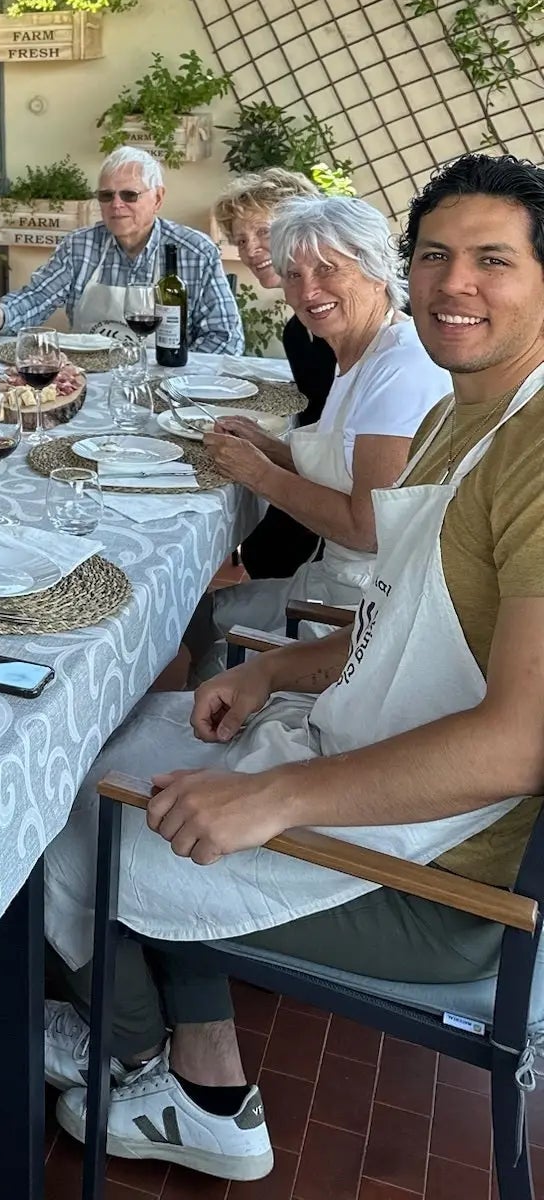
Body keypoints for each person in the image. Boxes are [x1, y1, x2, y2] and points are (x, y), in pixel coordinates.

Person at [38, 152, 544, 1184]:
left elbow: (517, 741)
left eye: (494, 258)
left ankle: (143, 1067)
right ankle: (206, 1075)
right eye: (436, 255)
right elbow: (410, 617)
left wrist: (269, 795)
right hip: (361, 749)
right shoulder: (464, 409)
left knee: (61, 824)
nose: (456, 283)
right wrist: (278, 674)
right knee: (108, 757)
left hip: (435, 873)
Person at [204, 193, 450, 629]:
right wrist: (268, 447)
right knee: (190, 614)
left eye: (326, 269)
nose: (307, 291)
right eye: (294, 274)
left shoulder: (401, 367)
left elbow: (368, 529)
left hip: (363, 612)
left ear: (376, 271)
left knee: (192, 618)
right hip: (328, 579)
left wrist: (257, 473)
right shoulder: (358, 350)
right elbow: (348, 465)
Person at [0, 148, 243, 354]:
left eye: (129, 195)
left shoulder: (196, 252)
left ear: (158, 198)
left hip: (168, 383)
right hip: (90, 379)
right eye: (106, 195)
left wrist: (180, 378)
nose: (116, 205)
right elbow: (37, 298)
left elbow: (225, 338)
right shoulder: (79, 246)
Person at [213, 169, 336, 581]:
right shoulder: (298, 331)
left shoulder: (328, 325)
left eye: (263, 232)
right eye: (241, 240)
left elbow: (336, 461)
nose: (250, 250)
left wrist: (253, 564)